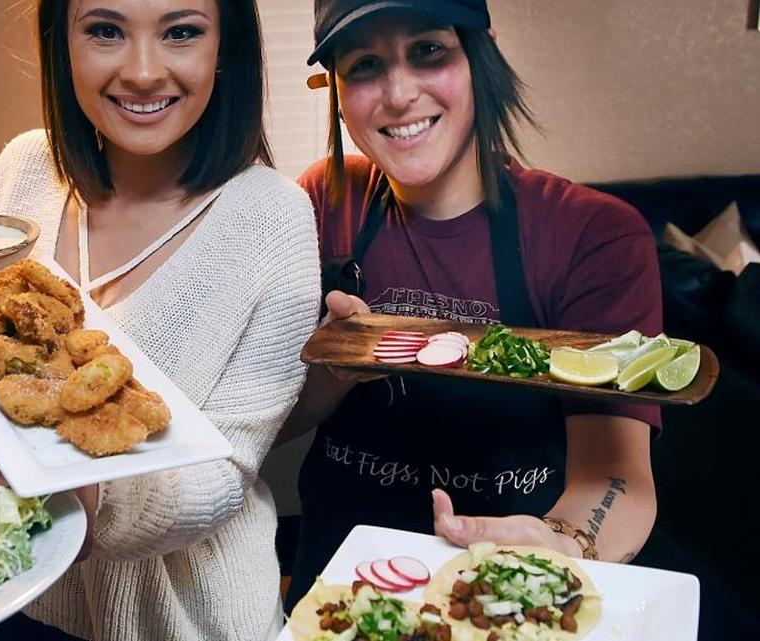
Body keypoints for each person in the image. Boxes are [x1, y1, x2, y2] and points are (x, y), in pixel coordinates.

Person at [0, 1, 321, 639]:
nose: (143, 71)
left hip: (191, 620)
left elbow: (230, 469)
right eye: (105, 30)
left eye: (181, 32)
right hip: (16, 584)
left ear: (225, 47)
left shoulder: (275, 220)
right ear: (61, 43)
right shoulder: (24, 168)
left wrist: (98, 502)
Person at [281, 0, 664, 610]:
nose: (399, 94)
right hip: (339, 575)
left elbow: (616, 477)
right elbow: (275, 425)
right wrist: (333, 371)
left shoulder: (595, 236)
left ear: (479, 52)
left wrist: (559, 545)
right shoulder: (323, 201)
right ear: (336, 90)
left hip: (508, 587)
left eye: (428, 51)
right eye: (365, 66)